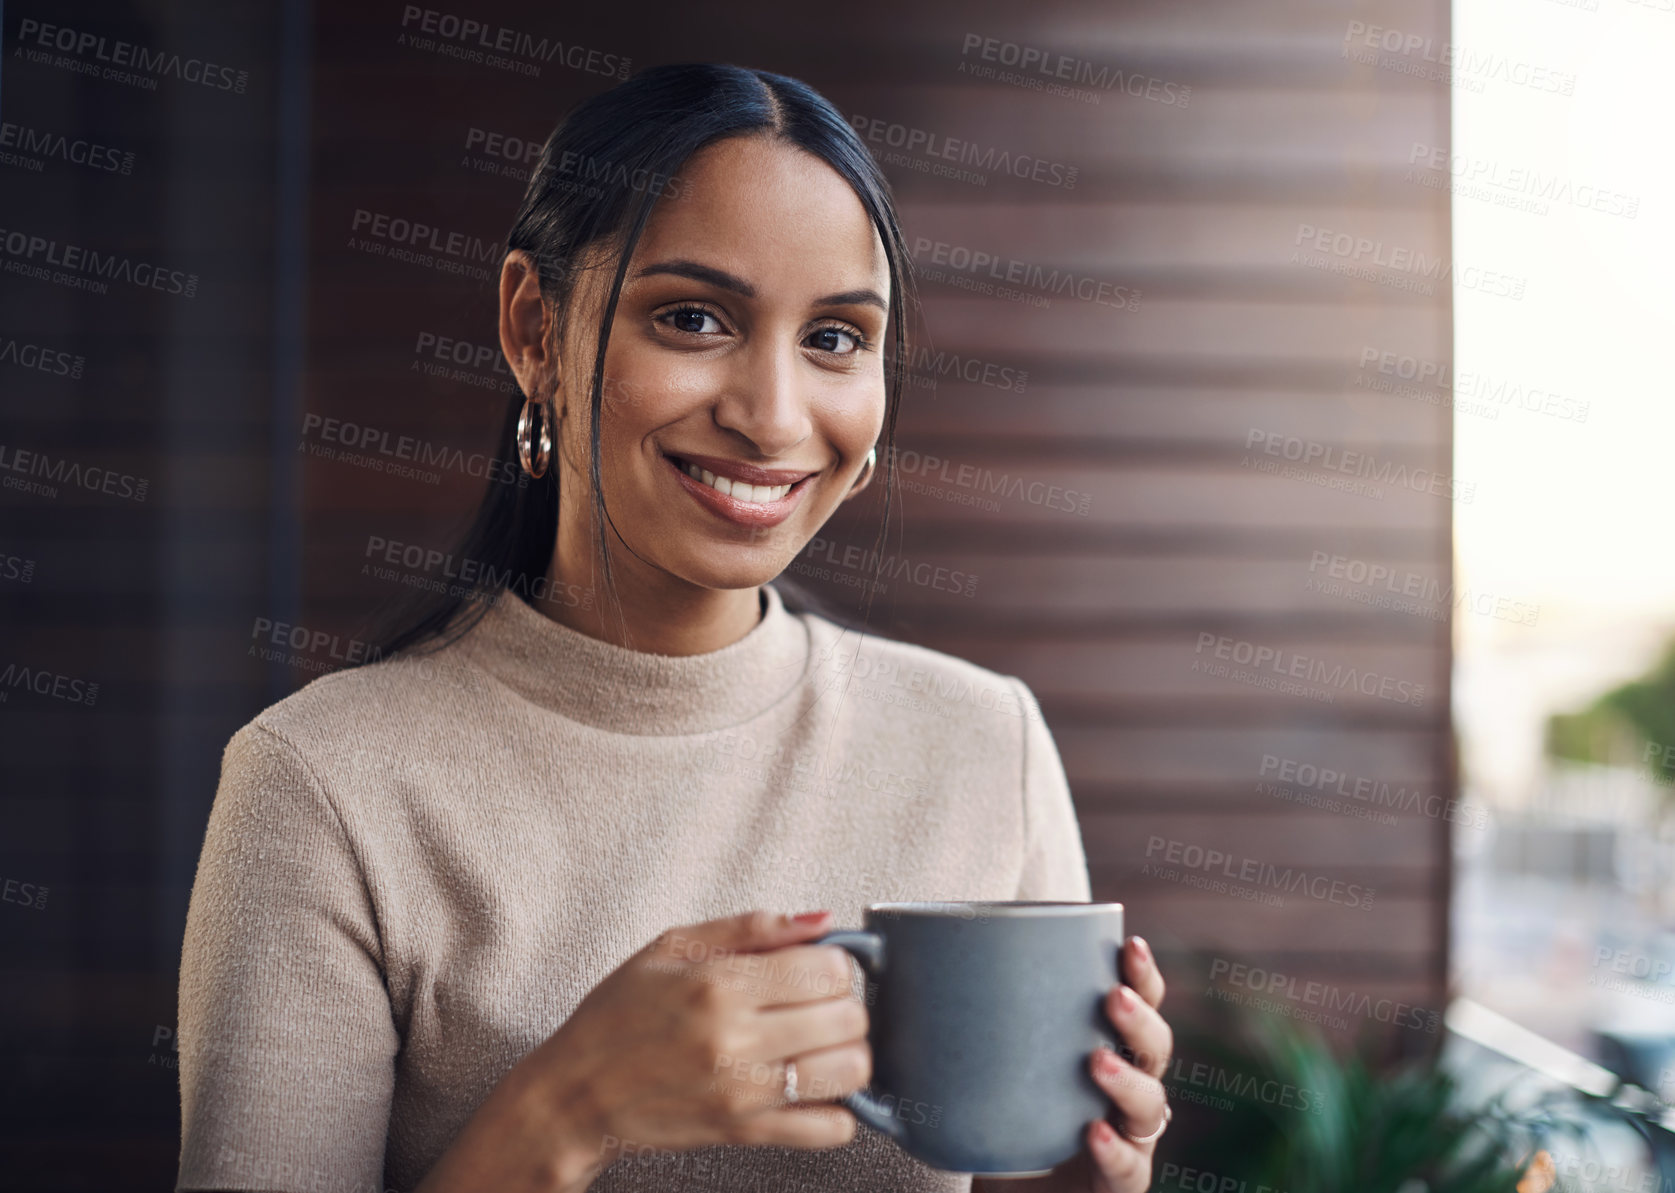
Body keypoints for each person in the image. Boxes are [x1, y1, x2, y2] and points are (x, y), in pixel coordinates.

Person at [176, 63, 1173, 1193]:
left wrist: (1104, 1178)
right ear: (532, 329)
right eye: (692, 317)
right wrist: (569, 1107)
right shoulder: (322, 786)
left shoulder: (981, 740)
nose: (773, 415)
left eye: (837, 339)